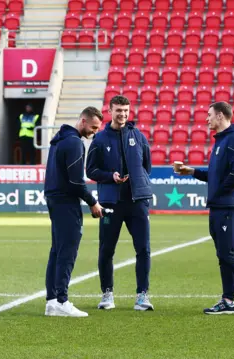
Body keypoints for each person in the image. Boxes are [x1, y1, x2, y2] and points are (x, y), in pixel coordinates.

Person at [176, 102, 234, 315]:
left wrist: (219, 192)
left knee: (227, 252)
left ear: (221, 116)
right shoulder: (221, 141)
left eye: (209, 115)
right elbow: (216, 175)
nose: (206, 119)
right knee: (222, 254)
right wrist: (192, 172)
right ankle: (228, 300)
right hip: (220, 204)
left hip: (229, 205)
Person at [85, 95, 154, 311]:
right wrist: (109, 176)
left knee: (143, 249)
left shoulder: (139, 136)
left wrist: (137, 184)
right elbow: (91, 170)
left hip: (137, 201)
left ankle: (142, 295)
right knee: (106, 250)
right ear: (109, 111)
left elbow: (146, 166)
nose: (123, 114)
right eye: (118, 110)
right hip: (110, 202)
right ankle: (107, 294)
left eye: (126, 110)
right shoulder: (100, 139)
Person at [44, 106, 104, 318]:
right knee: (67, 252)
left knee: (57, 251)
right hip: (66, 202)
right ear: (83, 121)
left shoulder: (59, 140)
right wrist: (92, 202)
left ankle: (52, 301)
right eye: (93, 127)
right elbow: (76, 181)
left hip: (54, 199)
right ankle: (62, 300)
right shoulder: (74, 143)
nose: (94, 132)